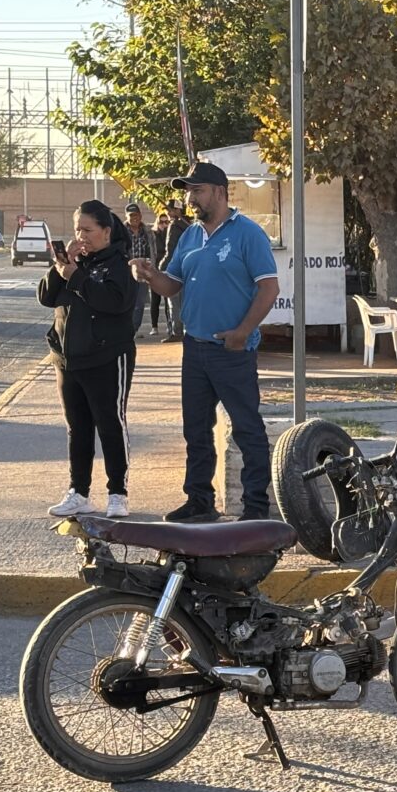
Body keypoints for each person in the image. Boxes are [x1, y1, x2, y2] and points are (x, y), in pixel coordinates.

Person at [131, 161, 279, 523]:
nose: (189, 198)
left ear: (219, 191)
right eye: (188, 191)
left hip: (232, 351)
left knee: (247, 429)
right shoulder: (190, 236)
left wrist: (242, 332)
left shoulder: (247, 233)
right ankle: (199, 500)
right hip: (195, 349)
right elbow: (173, 285)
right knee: (196, 430)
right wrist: (151, 275)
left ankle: (255, 508)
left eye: (196, 190)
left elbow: (269, 288)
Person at [38, 200, 138, 520]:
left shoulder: (120, 264)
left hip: (108, 357)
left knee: (110, 424)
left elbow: (114, 301)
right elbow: (46, 297)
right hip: (69, 359)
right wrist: (62, 266)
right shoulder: (74, 263)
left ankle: (117, 494)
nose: (81, 236)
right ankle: (79, 492)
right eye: (77, 229)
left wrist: (75, 276)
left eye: (88, 230)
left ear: (106, 231)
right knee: (77, 428)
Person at [123, 201, 160, 335]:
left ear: (141, 215)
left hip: (143, 271)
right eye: (131, 215)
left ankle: (133, 329)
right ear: (126, 216)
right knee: (126, 302)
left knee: (139, 303)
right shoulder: (120, 231)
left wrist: (152, 268)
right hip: (126, 272)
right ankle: (125, 329)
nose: (134, 218)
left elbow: (153, 250)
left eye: (136, 215)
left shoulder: (148, 231)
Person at [160, 199, 190, 343]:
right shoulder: (191, 225)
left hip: (174, 268)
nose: (168, 212)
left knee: (174, 302)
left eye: (170, 209)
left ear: (177, 211)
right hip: (188, 267)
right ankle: (185, 329)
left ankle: (177, 331)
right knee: (184, 301)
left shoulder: (174, 226)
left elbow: (170, 250)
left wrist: (162, 266)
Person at [150, 210, 171, 334]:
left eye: (166, 222)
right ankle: (154, 326)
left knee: (168, 299)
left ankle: (170, 325)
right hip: (156, 268)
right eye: (161, 222)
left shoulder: (170, 233)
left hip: (167, 269)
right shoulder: (153, 234)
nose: (164, 224)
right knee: (155, 299)